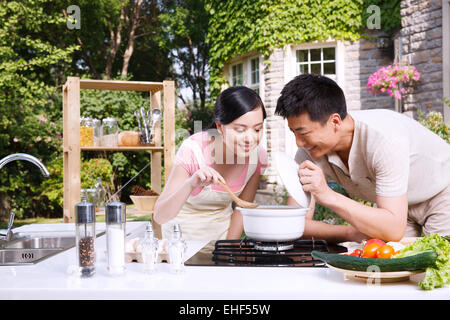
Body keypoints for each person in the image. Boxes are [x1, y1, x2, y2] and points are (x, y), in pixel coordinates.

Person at [275, 74, 450, 243]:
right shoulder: (310, 150)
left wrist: (327, 195)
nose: (298, 143)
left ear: (335, 122)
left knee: (439, 265)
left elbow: (393, 229)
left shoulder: (384, 139)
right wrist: (349, 233)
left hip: (441, 194)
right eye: (294, 133)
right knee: (392, 266)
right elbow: (295, 224)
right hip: (392, 208)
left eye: (303, 133)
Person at [153, 86, 268, 241]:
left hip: (221, 242)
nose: (250, 139)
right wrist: (191, 184)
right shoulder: (193, 150)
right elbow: (160, 216)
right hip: (180, 244)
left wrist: (229, 249)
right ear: (220, 127)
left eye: (257, 129)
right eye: (240, 130)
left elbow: (242, 208)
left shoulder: (258, 156)